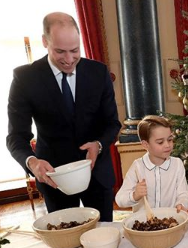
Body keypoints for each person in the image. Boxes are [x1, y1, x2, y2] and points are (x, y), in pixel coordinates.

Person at [6, 12, 121, 221]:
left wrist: (99, 144)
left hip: (97, 177)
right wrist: (32, 163)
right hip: (54, 179)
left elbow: (112, 123)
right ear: (44, 41)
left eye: (75, 51)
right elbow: (15, 137)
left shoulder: (99, 73)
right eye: (60, 51)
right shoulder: (25, 79)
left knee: (104, 242)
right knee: (65, 247)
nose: (69, 60)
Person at [115, 115, 188, 213]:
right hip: (144, 224)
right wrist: (135, 195)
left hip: (170, 221)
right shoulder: (137, 166)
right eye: (160, 142)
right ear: (145, 144)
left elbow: (183, 193)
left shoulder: (177, 164)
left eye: (170, 139)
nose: (167, 145)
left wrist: (181, 204)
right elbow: (119, 199)